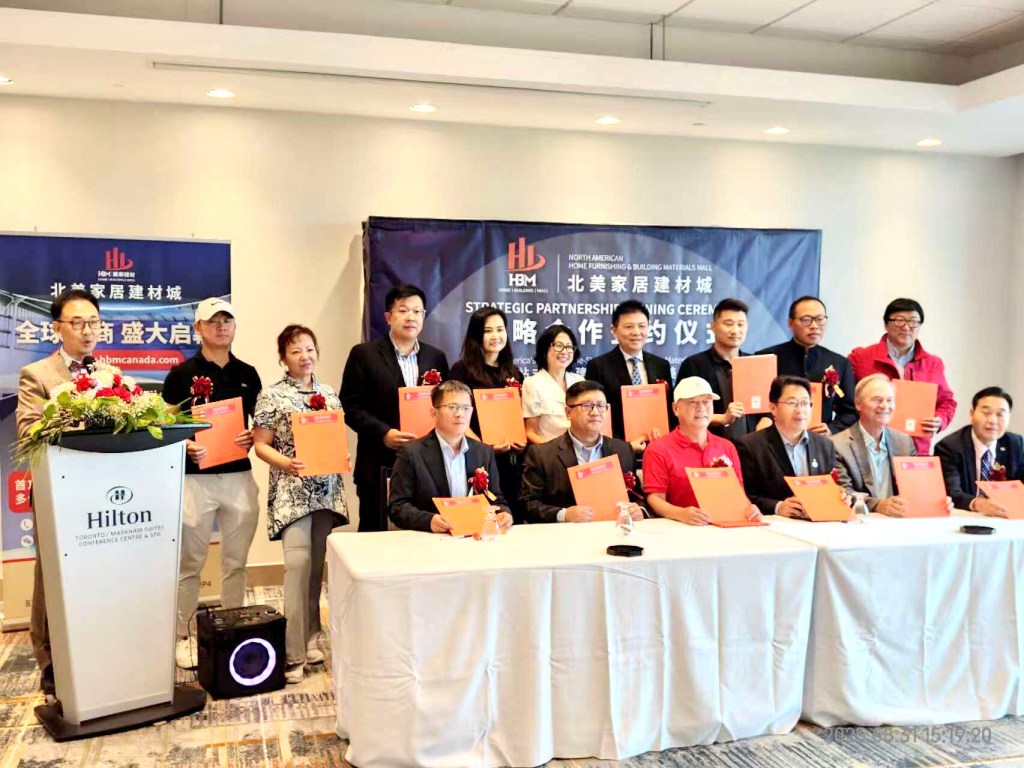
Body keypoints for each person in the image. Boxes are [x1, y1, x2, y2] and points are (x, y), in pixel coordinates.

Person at [161, 297, 262, 670]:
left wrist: (253, 437)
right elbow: (165, 426)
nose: (221, 326)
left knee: (236, 561)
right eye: (213, 321)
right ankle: (183, 635)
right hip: (196, 480)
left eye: (227, 320)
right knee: (190, 562)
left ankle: (232, 625)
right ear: (198, 328)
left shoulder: (248, 373)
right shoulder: (180, 374)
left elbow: (261, 424)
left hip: (238, 477)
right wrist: (185, 444)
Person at [16, 288, 100, 696]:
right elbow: (27, 429)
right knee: (52, 571)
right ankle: (49, 661)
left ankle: (94, 645)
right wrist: (73, 414)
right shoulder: (38, 374)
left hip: (101, 490)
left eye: (94, 323)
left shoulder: (108, 374)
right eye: (78, 323)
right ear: (57, 328)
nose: (88, 331)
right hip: (58, 490)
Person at [253, 325, 348, 684]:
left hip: (325, 490)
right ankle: (292, 653)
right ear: (283, 358)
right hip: (292, 491)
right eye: (295, 351)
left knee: (315, 569)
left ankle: (311, 636)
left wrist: (342, 457)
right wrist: (287, 463)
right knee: (297, 567)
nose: (304, 356)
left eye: (309, 349)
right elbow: (261, 445)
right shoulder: (272, 395)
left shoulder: (329, 394)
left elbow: (335, 439)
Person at [340, 284, 449, 532]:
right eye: (403, 310)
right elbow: (349, 405)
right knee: (376, 534)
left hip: (427, 464)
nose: (411, 317)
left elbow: (446, 404)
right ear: (389, 317)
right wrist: (383, 433)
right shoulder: (364, 354)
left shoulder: (436, 357)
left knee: (425, 533)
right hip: (379, 461)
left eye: (417, 311)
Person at [388, 380, 514, 533]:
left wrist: (504, 512)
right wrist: (428, 521)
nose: (460, 414)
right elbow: (397, 507)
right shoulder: (411, 453)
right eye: (453, 407)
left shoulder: (483, 452)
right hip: (430, 539)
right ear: (434, 413)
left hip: (474, 537)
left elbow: (496, 498)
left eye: (465, 408)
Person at [520, 381, 645, 524]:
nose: (595, 412)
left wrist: (639, 509)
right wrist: (563, 515)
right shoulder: (542, 454)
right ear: (568, 412)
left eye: (601, 406)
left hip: (614, 530)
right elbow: (528, 504)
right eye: (587, 406)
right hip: (566, 533)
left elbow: (638, 497)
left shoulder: (623, 450)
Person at [644, 376, 760, 526]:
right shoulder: (658, 449)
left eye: (706, 401)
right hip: (681, 529)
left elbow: (738, 494)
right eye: (693, 402)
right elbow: (655, 499)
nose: (701, 408)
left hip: (725, 527)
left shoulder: (727, 447)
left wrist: (750, 509)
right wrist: (681, 514)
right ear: (676, 408)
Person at [848, 298, 956, 455]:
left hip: (916, 449)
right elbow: (847, 402)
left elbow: (947, 402)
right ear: (886, 324)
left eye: (913, 322)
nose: (906, 327)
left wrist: (939, 420)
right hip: (869, 446)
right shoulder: (861, 358)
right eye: (899, 321)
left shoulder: (933, 363)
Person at [450, 307, 526, 520]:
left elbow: (521, 415)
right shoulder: (461, 370)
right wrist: (484, 447)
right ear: (476, 335)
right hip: (475, 456)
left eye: (500, 330)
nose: (496, 336)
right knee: (481, 516)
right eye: (488, 331)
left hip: (509, 461)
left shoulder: (513, 372)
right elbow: (456, 415)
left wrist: (520, 439)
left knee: (509, 516)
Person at [737, 375, 837, 518]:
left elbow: (830, 489)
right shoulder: (750, 446)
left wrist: (839, 497)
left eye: (805, 403)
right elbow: (745, 496)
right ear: (773, 408)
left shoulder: (825, 445)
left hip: (817, 524)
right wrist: (777, 507)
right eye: (792, 403)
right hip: (774, 525)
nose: (800, 410)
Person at [758, 296, 856, 435]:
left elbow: (850, 411)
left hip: (819, 440)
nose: (814, 326)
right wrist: (767, 420)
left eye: (820, 319)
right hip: (775, 438)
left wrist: (831, 429)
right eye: (806, 320)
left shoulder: (839, 363)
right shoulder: (767, 358)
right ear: (790, 323)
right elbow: (754, 405)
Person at [584, 300, 671, 452]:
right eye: (629, 326)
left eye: (642, 326)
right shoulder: (598, 366)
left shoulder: (661, 365)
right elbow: (594, 411)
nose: (636, 332)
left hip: (657, 447)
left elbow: (669, 408)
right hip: (616, 448)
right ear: (614, 330)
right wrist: (623, 446)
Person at [831, 374, 920, 516]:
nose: (885, 406)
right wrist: (878, 505)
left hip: (899, 519)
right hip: (860, 520)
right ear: (858, 404)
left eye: (889, 400)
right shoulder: (837, 445)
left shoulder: (904, 442)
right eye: (877, 400)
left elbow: (915, 487)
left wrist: (936, 500)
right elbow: (843, 492)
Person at [676, 297, 757, 442]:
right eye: (728, 324)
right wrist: (723, 418)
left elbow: (769, 409)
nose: (735, 330)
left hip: (752, 446)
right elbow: (684, 411)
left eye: (740, 324)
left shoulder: (755, 363)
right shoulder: (694, 364)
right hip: (708, 445)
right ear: (713, 326)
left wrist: (760, 436)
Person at [936, 387, 1024, 515]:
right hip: (965, 517)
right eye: (986, 413)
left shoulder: (1015, 444)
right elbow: (951, 492)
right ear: (971, 414)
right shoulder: (949, 447)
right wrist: (977, 503)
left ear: (1009, 417)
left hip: (1005, 517)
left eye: (1000, 414)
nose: (992, 420)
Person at [521, 324, 584, 444]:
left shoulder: (579, 381)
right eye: (558, 346)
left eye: (569, 347)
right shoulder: (532, 383)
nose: (564, 351)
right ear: (545, 350)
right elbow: (530, 432)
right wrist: (552, 452)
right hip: (548, 451)